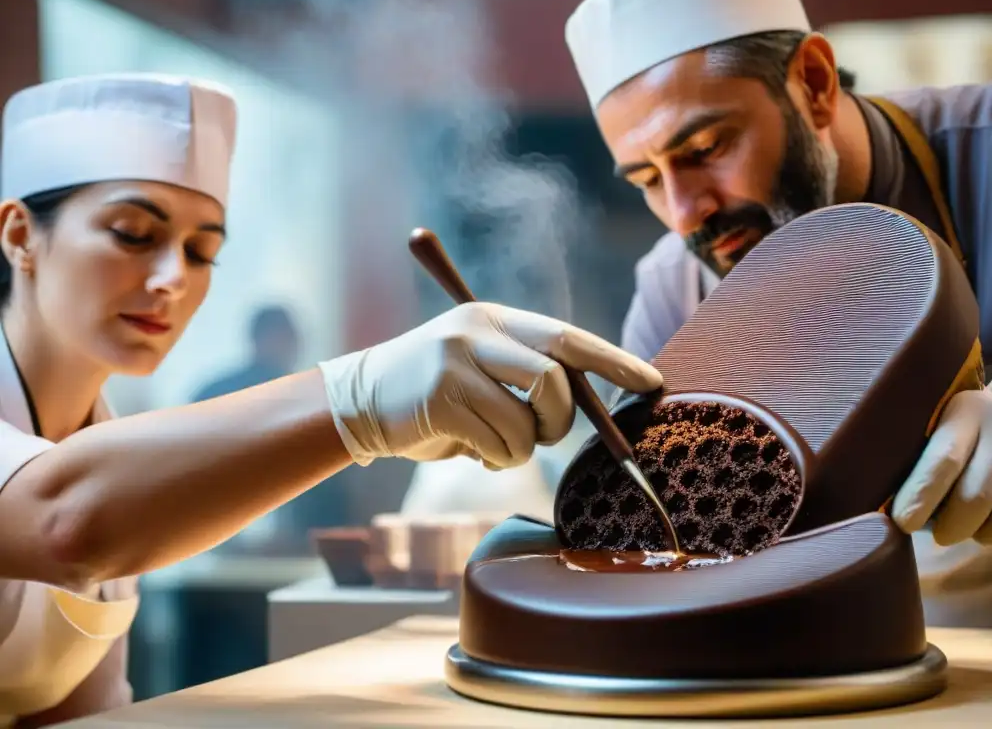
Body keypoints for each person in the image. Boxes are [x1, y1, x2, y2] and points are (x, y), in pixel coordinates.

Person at [0, 73, 662, 725]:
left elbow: (78, 715)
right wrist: (361, 398)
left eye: (203, 252)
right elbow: (64, 522)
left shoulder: (104, 449)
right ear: (20, 234)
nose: (173, 278)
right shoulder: (92, 491)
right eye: (132, 233)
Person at [564, 0, 992, 628]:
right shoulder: (675, 293)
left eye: (705, 147)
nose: (686, 212)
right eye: (647, 179)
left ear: (813, 83)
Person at [191, 305, 300, 402]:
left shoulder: (301, 394)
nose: (287, 347)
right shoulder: (219, 394)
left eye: (290, 339)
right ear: (258, 340)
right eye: (279, 339)